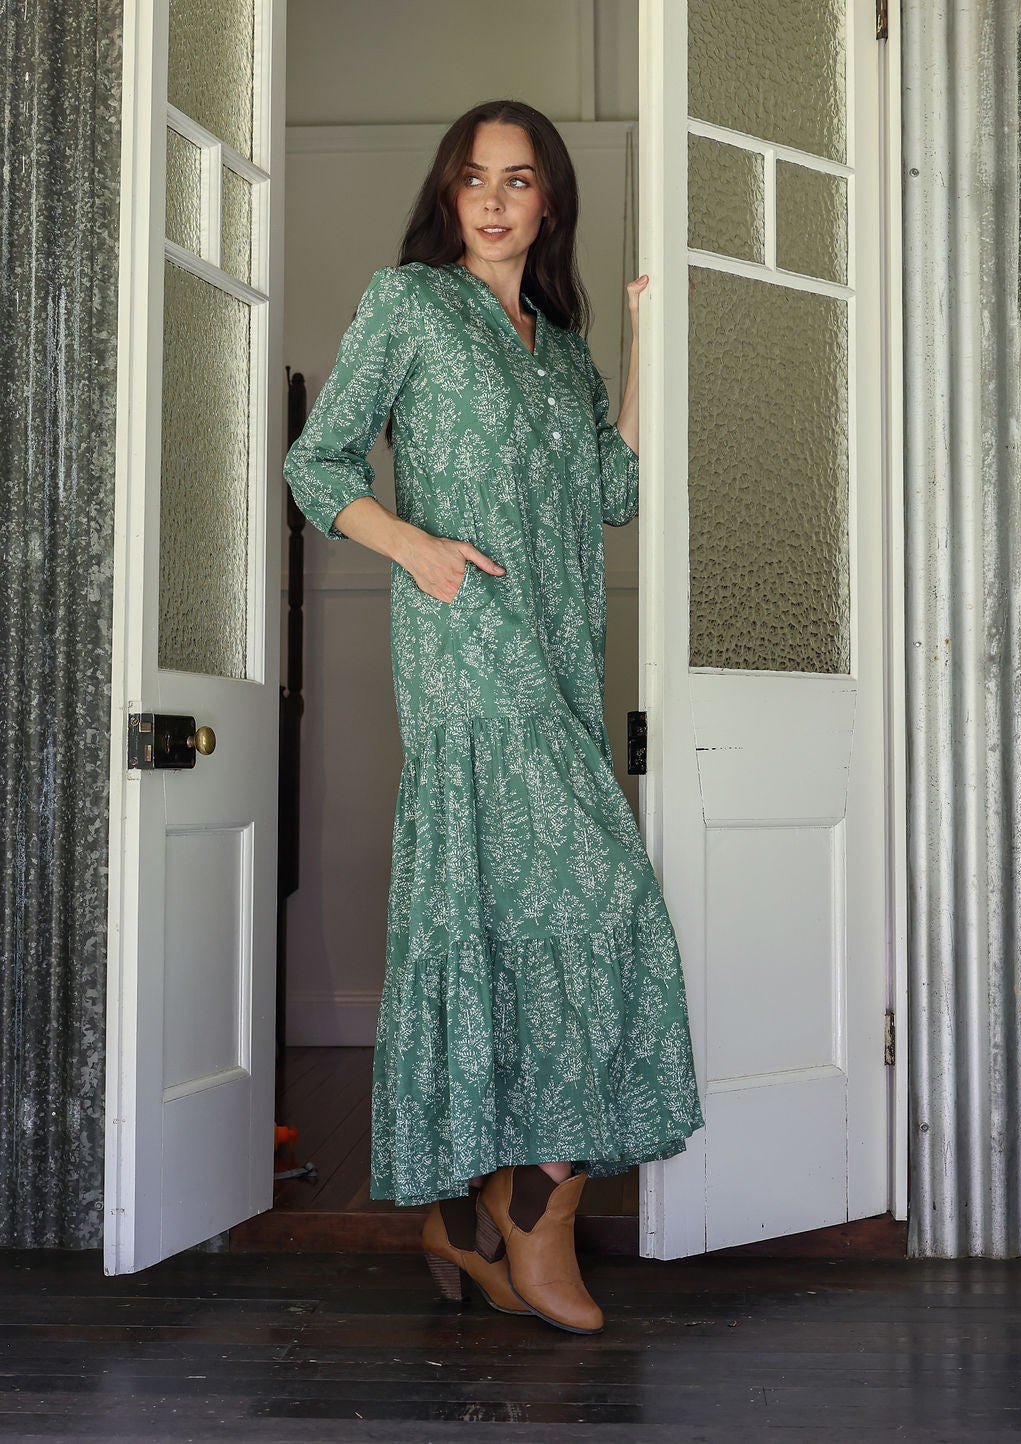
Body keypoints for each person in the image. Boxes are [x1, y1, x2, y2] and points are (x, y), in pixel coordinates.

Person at [283, 98, 704, 1335]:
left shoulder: (559, 349)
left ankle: (471, 1220)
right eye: (473, 177)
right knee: (608, 903)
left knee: (538, 926)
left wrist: (640, 337)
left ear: (549, 203)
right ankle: (536, 1213)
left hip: (563, 670)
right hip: (471, 657)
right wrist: (414, 549)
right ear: (448, 192)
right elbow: (320, 463)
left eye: (518, 179)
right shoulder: (409, 305)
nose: (492, 197)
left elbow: (614, 491)